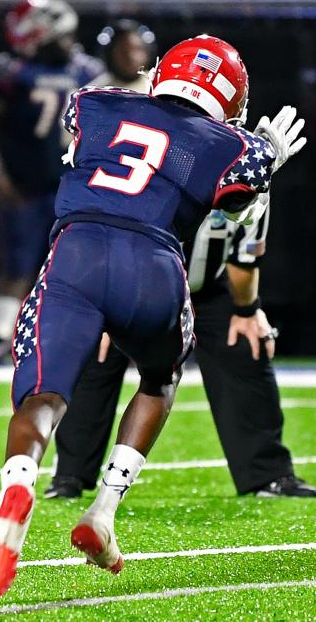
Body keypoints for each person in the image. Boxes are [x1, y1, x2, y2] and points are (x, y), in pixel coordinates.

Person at [0, 35, 307, 599]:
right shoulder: (232, 143)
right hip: (155, 270)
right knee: (160, 380)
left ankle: (19, 484)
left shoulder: (95, 102)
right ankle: (105, 513)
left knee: (43, 396)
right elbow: (235, 194)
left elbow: (95, 139)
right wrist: (268, 155)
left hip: (77, 257)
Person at [47, 202, 316, 499]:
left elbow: (243, 260)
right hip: (131, 284)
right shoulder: (169, 173)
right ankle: (70, 474)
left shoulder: (252, 182)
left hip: (206, 287)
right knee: (96, 351)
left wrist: (248, 310)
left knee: (244, 341)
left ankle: (268, 475)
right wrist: (98, 297)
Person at [0, 0, 103, 341]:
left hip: (72, 186)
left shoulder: (86, 70)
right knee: (17, 267)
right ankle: (0, 340)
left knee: (70, 269)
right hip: (25, 183)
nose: (67, 42)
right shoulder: (13, 70)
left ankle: (56, 339)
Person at [90, 19, 156, 93]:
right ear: (109, 54)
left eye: (137, 49)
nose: (130, 56)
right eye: (122, 51)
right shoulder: (95, 93)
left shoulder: (160, 88)